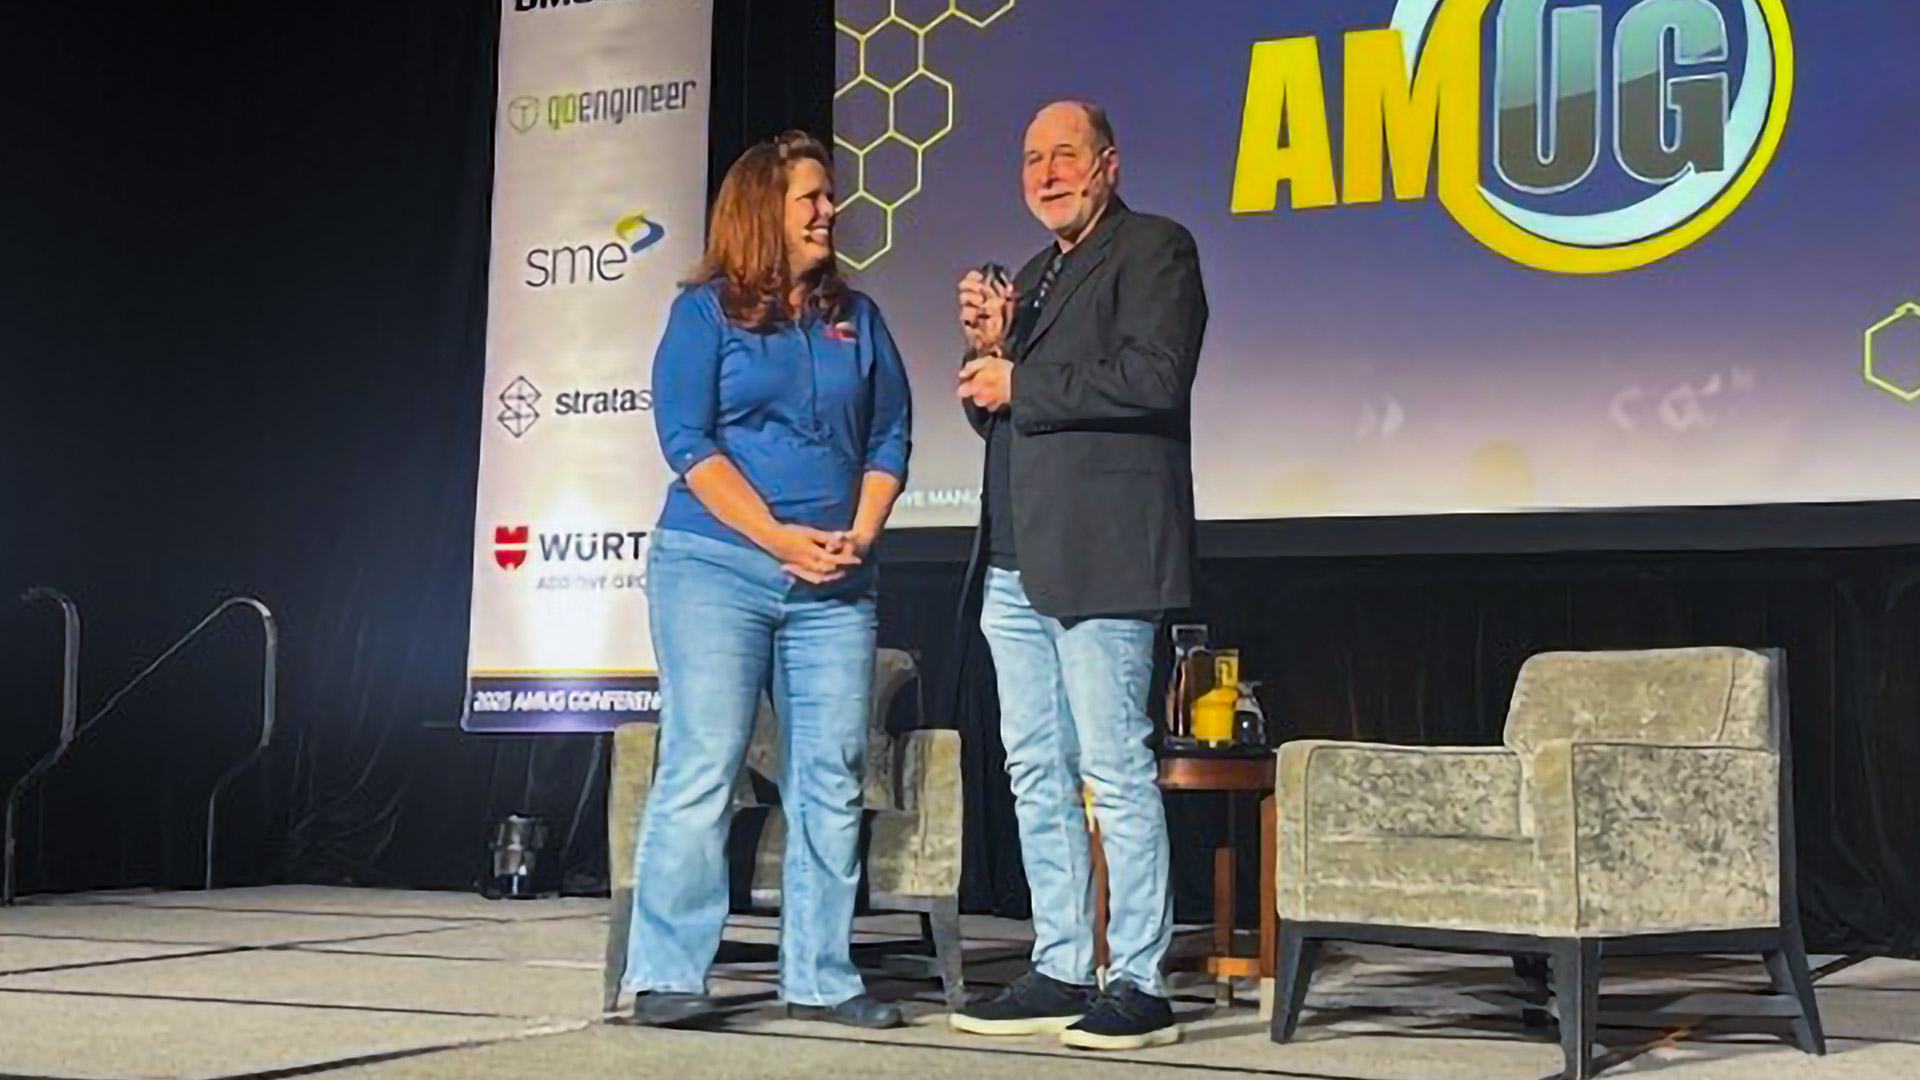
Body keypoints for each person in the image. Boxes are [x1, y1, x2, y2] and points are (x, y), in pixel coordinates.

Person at [623, 131, 912, 1031]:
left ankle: (821, 976)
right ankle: (669, 974)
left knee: (831, 773)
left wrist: (860, 533)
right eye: (811, 198)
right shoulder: (704, 314)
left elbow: (890, 437)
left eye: (829, 196)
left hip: (834, 583)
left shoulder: (857, 317)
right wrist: (779, 538)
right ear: (762, 210)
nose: (830, 211)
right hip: (715, 567)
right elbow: (687, 442)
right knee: (706, 760)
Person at [947, 101, 1208, 1051]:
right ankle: (1061, 964)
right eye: (1032, 159)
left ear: (1108, 164)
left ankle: (1138, 980)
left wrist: (1020, 381)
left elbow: (1155, 377)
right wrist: (988, 355)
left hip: (1104, 555)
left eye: (1066, 155)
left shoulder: (1155, 249)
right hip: (1017, 559)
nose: (1047, 173)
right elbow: (1000, 417)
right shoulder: (1032, 276)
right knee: (1033, 770)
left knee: (1112, 769)